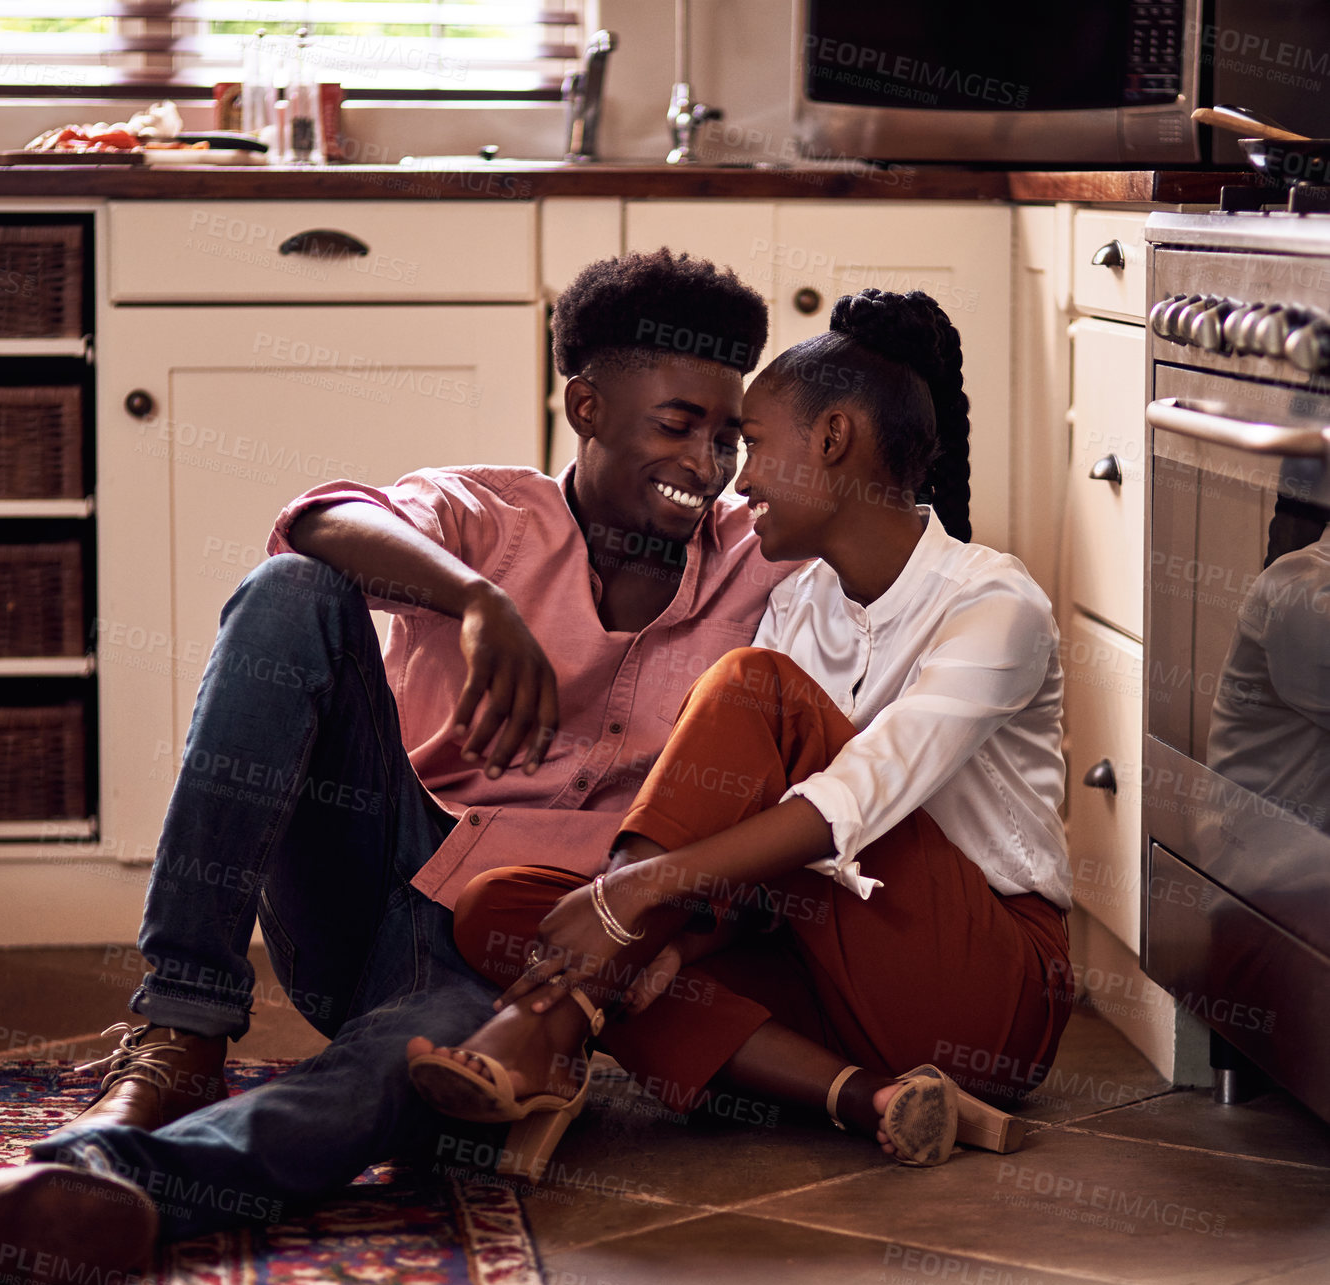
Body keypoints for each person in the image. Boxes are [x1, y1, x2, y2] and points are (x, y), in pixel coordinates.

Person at [0, 249, 801, 1285]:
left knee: (408, 1090)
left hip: (511, 947)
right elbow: (320, 521)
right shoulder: (487, 514)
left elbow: (900, 557)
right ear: (587, 405)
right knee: (291, 592)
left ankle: (111, 1191)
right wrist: (475, 600)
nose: (706, 462)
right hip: (368, 867)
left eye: (727, 436)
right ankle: (179, 1032)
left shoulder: (756, 559)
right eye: (676, 424)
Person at [407, 289, 1075, 1176]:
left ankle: (541, 1032)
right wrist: (676, 939)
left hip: (986, 990)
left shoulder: (994, 604)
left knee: (748, 693)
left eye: (753, 442)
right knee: (500, 907)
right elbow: (756, 856)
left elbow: (855, 800)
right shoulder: (794, 603)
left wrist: (631, 896)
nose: (738, 476)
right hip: (827, 970)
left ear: (832, 439)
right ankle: (863, 1096)